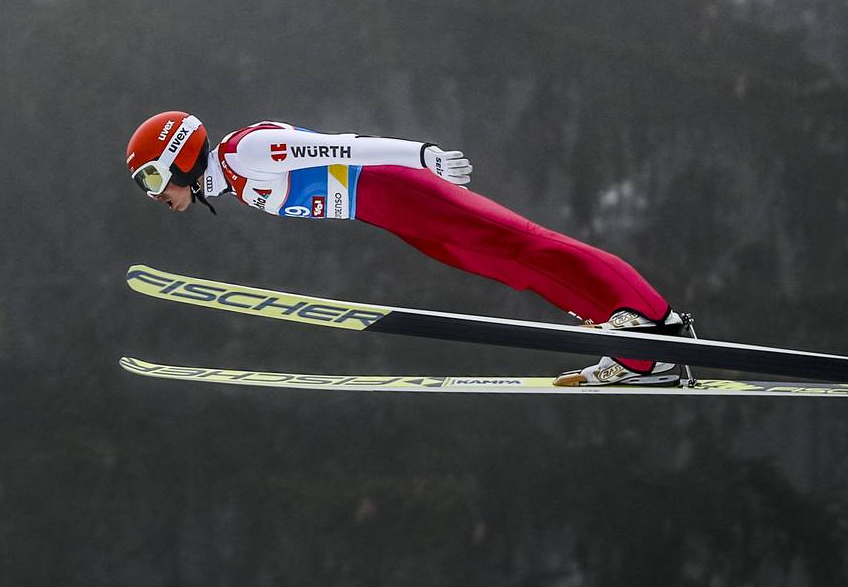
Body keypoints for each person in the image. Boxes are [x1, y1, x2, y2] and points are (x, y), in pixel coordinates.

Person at [124, 111, 684, 386]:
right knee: (506, 264)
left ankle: (655, 328)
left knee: (526, 244)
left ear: (180, 156)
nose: (156, 196)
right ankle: (627, 337)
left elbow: (345, 145)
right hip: (390, 213)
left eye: (153, 180)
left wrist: (422, 155)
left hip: (401, 190)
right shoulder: (235, 180)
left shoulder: (249, 150)